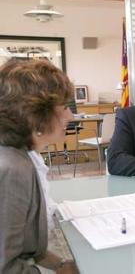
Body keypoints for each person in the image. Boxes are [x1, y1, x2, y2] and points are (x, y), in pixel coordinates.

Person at [0, 59, 78, 273]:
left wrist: (61, 266)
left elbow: (26, 245)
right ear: (35, 115)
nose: (71, 116)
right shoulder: (12, 169)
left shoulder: (26, 155)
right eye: (63, 108)